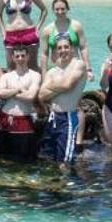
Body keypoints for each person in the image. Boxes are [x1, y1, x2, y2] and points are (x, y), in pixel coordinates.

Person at [38, 37, 90, 166]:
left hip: (68, 118)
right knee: (48, 157)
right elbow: (41, 96)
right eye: (60, 48)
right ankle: (54, 185)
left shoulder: (78, 65)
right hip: (53, 117)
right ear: (56, 50)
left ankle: (66, 185)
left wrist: (50, 86)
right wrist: (59, 87)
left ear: (72, 48)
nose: (63, 50)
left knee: (64, 161)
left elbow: (68, 85)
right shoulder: (52, 71)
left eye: (66, 47)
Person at [0, 45, 43, 161]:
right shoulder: (6, 76)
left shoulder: (35, 75)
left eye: (23, 56)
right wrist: (18, 90)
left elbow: (31, 96)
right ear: (13, 58)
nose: (20, 58)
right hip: (5, 120)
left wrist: (10, 93)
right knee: (3, 158)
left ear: (28, 57)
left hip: (25, 120)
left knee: (24, 159)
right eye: (17, 56)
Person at [0, 0, 44, 69]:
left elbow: (44, 10)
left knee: (33, 66)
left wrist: (38, 29)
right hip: (11, 34)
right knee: (11, 67)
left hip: (29, 32)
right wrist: (3, 33)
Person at [43, 0, 88, 66]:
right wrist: (44, 73)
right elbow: (45, 54)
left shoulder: (76, 26)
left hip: (74, 67)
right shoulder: (47, 30)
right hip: (56, 67)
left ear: (67, 9)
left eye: (63, 9)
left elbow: (83, 48)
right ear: (53, 10)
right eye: (57, 9)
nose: (60, 12)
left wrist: (88, 68)